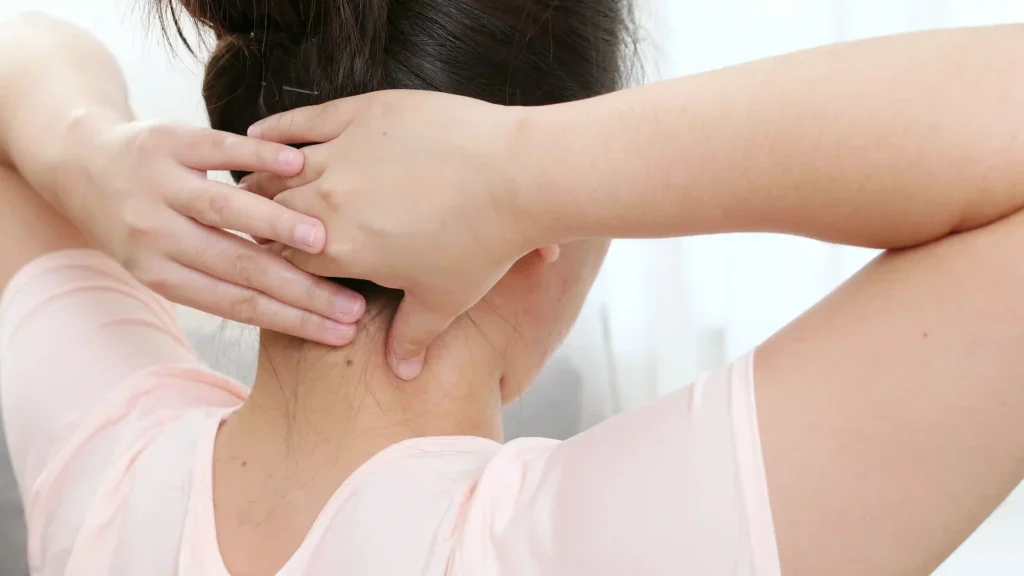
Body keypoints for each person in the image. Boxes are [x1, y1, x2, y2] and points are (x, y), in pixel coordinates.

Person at [0, 4, 1022, 576]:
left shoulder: (110, 465)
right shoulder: (590, 546)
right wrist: (527, 170)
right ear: (536, 244)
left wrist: (87, 148)